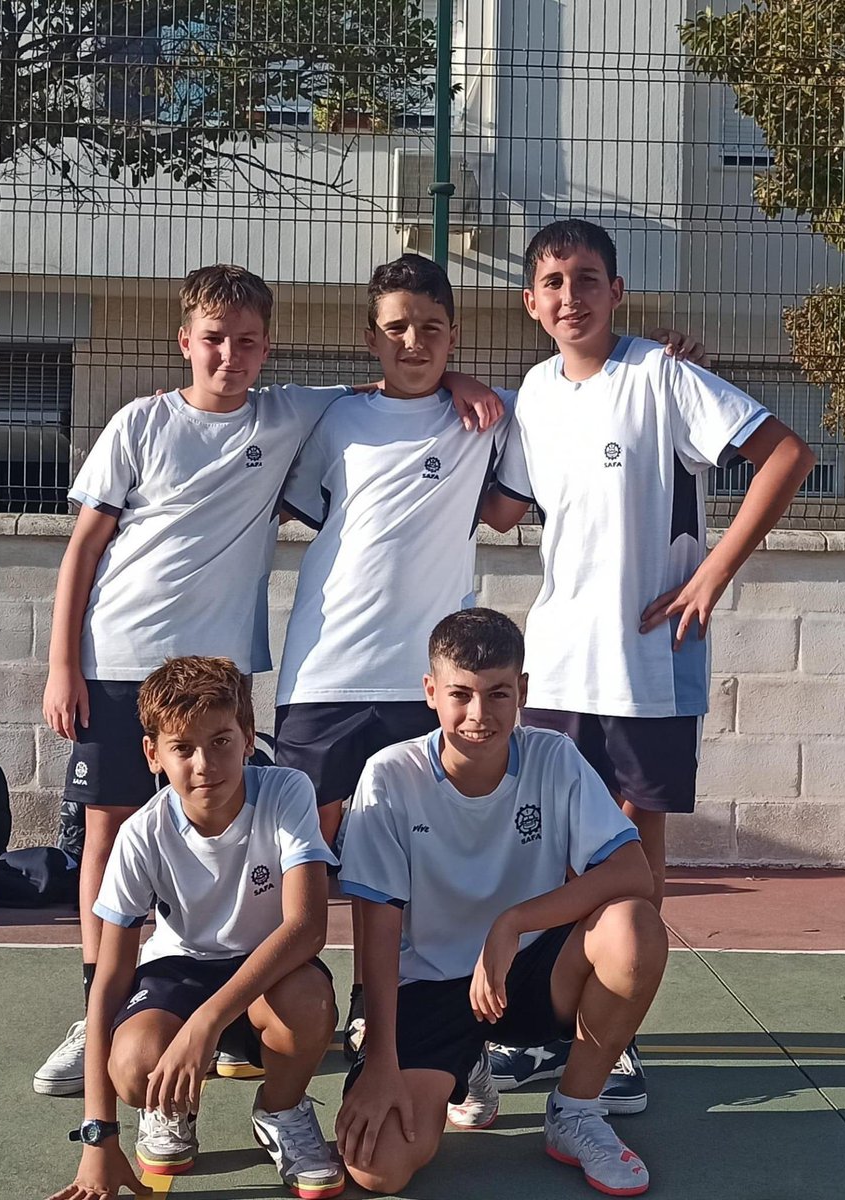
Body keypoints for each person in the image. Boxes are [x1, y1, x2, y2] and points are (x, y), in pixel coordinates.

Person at [34, 263, 499, 1097]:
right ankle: (95, 1004)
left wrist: (453, 372)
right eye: (214, 340)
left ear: (266, 350)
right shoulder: (140, 423)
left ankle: (285, 1006)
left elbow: (386, 380)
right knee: (109, 826)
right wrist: (63, 662)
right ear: (185, 342)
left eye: (248, 342)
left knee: (258, 832)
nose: (230, 356)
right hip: (117, 658)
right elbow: (83, 547)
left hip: (221, 669)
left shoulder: (293, 412)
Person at [272, 253, 702, 1069]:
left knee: (424, 861)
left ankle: (403, 1009)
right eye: (396, 328)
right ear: (371, 337)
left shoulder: (496, 415)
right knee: (305, 860)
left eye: (432, 329)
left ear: (455, 335)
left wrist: (673, 363)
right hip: (324, 673)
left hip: (430, 687)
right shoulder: (335, 418)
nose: (413, 341)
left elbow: (583, 394)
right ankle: (278, 1014)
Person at [482, 218, 816, 1103]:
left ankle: (615, 1032)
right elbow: (503, 509)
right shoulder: (533, 395)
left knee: (632, 846)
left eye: (587, 278)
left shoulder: (664, 374)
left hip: (649, 665)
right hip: (555, 665)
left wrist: (712, 573)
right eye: (552, 282)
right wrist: (444, 398)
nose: (570, 295)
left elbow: (787, 453)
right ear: (531, 302)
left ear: (616, 291)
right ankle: (543, 1028)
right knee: (552, 850)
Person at [335, 608, 667, 1197]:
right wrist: (381, 1057)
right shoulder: (389, 777)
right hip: (426, 988)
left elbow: (632, 871)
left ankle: (575, 1111)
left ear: (523, 693)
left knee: (633, 929)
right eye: (460, 694)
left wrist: (512, 924)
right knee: (378, 1169)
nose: (479, 715)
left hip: (524, 974)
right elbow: (377, 934)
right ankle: (465, 1069)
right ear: (431, 692)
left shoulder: (554, 757)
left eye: (498, 694)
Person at [47, 656, 343, 1200]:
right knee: (134, 1063)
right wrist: (98, 1136)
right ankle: (170, 1109)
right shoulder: (141, 834)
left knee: (308, 1004)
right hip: (179, 970)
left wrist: (204, 1024)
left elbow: (305, 928)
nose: (205, 763)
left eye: (221, 741)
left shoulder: (287, 792)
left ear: (249, 738)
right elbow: (108, 983)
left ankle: (281, 1110)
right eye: (182, 747)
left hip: (269, 966)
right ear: (153, 754)